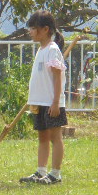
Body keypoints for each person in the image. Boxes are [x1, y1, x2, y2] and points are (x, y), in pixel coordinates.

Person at [20, 10, 67, 185]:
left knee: (55, 137)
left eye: (33, 28)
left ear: (45, 29)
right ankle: (41, 172)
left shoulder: (52, 50)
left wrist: (55, 102)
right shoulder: (41, 49)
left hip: (51, 103)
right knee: (42, 137)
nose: (30, 32)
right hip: (39, 102)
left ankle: (55, 174)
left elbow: (57, 78)